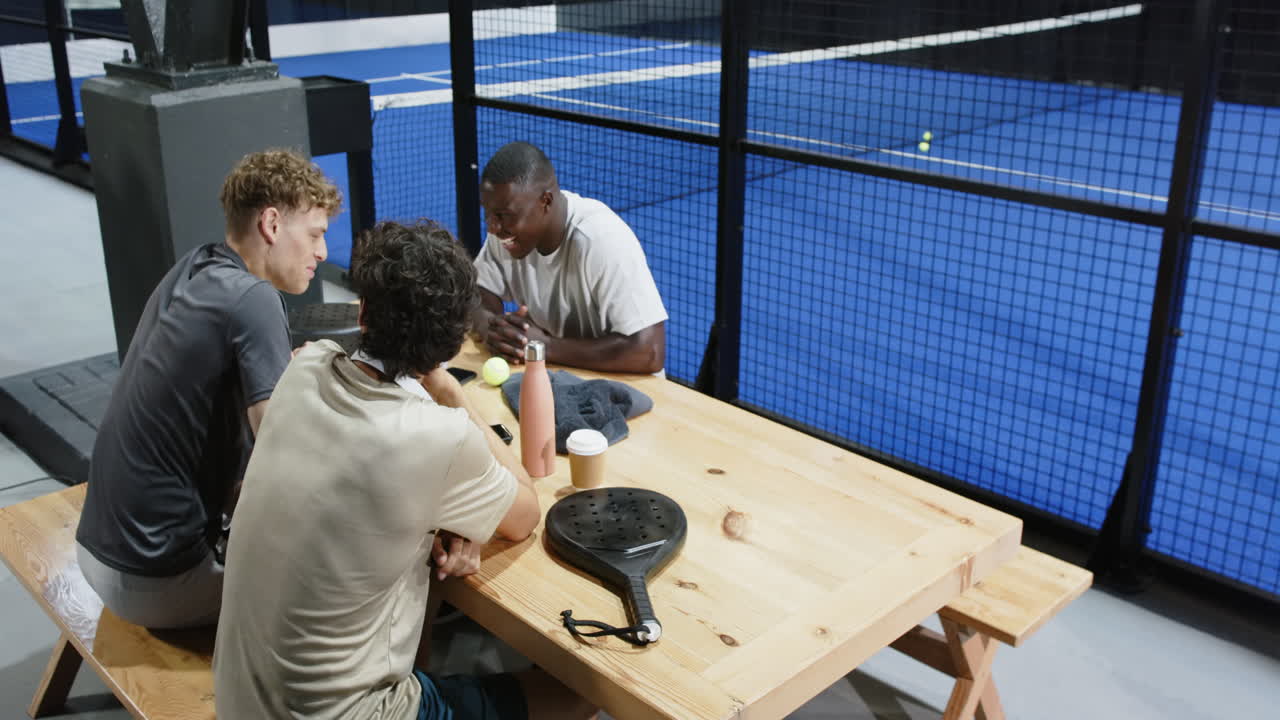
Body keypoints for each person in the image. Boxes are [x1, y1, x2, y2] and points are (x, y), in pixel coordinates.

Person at [213, 221, 595, 720]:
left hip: (238, 697)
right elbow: (525, 514)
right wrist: (451, 391)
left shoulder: (304, 369)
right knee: (580, 695)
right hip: (343, 713)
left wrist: (433, 521)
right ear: (451, 342)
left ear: (364, 312)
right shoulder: (441, 435)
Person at [75, 148, 341, 629]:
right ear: (273, 224)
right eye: (316, 234)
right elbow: (288, 453)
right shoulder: (254, 299)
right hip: (159, 581)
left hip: (96, 552)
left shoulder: (194, 268)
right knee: (354, 564)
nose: (322, 253)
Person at [471, 142, 668, 374]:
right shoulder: (506, 233)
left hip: (626, 390)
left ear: (545, 201)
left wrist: (545, 347)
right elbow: (477, 292)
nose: (493, 227)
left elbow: (649, 351)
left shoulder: (600, 239)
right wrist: (496, 332)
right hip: (562, 376)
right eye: (489, 213)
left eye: (504, 215)